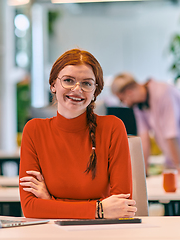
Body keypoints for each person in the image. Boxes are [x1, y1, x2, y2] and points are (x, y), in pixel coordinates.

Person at [19, 49, 137, 219]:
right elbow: (30, 208)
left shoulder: (113, 128)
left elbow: (121, 207)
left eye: (87, 83)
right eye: (68, 80)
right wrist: (99, 209)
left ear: (95, 91)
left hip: (102, 234)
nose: (77, 89)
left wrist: (51, 202)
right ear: (53, 84)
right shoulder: (34, 130)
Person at [111, 72, 180, 178]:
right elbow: (143, 139)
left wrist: (179, 167)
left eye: (122, 99)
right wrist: (142, 172)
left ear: (129, 92)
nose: (125, 103)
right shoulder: (139, 105)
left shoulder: (163, 93)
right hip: (177, 156)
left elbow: (171, 134)